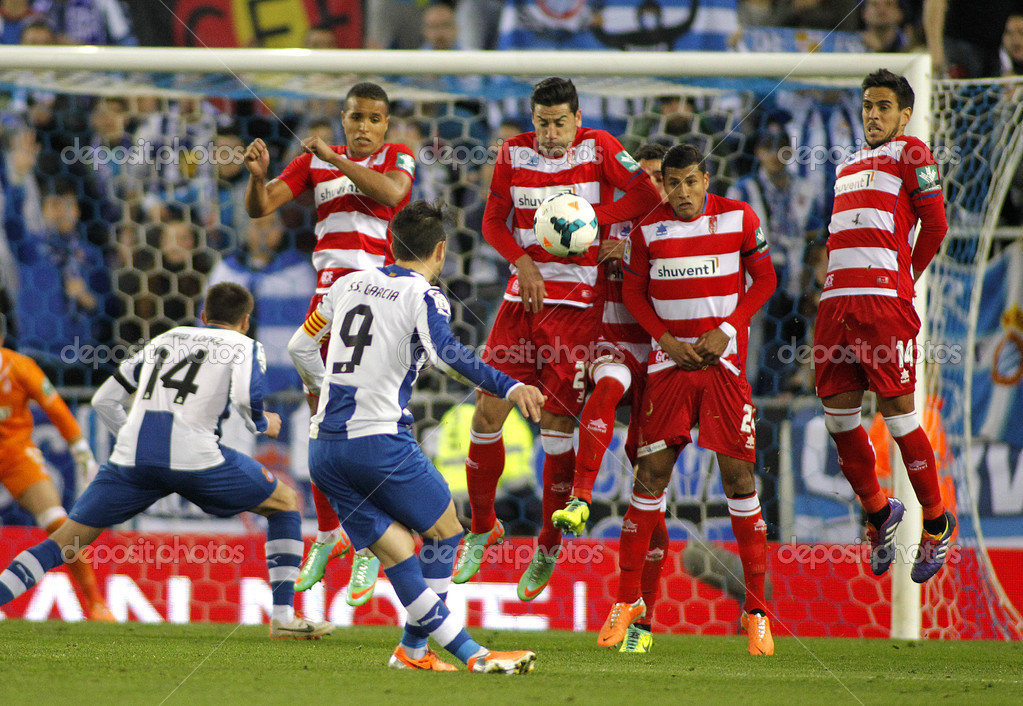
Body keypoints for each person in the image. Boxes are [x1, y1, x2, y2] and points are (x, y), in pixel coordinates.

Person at [288, 200, 543, 673]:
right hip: (378, 443)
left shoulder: (346, 284)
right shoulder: (425, 297)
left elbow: (300, 345)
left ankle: (414, 653)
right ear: (441, 251)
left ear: (390, 243)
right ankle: (467, 655)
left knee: (400, 553)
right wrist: (511, 384)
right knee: (445, 533)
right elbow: (446, 355)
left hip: (323, 449)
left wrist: (323, 389)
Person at [0, 283, 333, 637]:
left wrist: (130, 438)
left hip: (131, 464)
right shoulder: (245, 346)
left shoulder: (167, 338)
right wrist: (264, 422)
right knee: (284, 503)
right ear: (246, 321)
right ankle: (283, 618)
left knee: (64, 542)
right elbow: (243, 398)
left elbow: (103, 400)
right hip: (198, 462)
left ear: (203, 316)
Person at [454, 77, 661, 602]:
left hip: (576, 313)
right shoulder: (512, 153)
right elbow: (493, 220)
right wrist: (521, 262)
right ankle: (482, 526)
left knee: (554, 431)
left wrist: (594, 219)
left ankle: (547, 543)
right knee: (486, 412)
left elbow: (644, 193)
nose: (549, 133)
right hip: (521, 302)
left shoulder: (600, 147)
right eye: (541, 122)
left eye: (558, 122)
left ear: (577, 117)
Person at [244, 81, 415, 602]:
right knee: (322, 424)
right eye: (356, 117)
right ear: (342, 119)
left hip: (375, 300)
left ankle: (366, 544)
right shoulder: (316, 161)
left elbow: (392, 195)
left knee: (362, 426)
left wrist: (332, 159)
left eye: (374, 118)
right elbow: (262, 206)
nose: (364, 126)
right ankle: (329, 533)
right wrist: (255, 179)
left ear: (386, 124)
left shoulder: (397, 157)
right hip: (327, 301)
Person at [604, 143, 778, 655]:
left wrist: (728, 328)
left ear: (706, 178)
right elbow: (635, 294)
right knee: (650, 477)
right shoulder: (646, 231)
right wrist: (666, 342)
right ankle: (626, 601)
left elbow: (765, 279)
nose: (680, 192)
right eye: (672, 183)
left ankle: (757, 612)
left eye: (690, 182)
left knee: (738, 479)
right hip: (669, 367)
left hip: (723, 368)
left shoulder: (739, 218)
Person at [813, 68, 955, 584]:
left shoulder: (912, 152)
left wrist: (903, 279)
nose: (873, 114)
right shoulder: (847, 164)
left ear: (903, 114)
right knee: (838, 422)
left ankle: (937, 525)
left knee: (898, 419)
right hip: (835, 306)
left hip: (882, 307)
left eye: (883, 106)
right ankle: (879, 513)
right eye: (868, 105)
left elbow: (936, 224)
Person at [551, 142, 667, 653]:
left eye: (663, 178)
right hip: (614, 342)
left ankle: (644, 620)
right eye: (645, 178)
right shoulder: (602, 223)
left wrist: (640, 260)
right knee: (607, 385)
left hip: (664, 355)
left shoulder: (679, 232)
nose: (655, 187)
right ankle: (579, 498)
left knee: (648, 486)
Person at [0, 313, 113, 621]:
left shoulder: (21, 367)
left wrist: (83, 454)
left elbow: (57, 410)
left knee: (57, 521)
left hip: (15, 455)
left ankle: (95, 604)